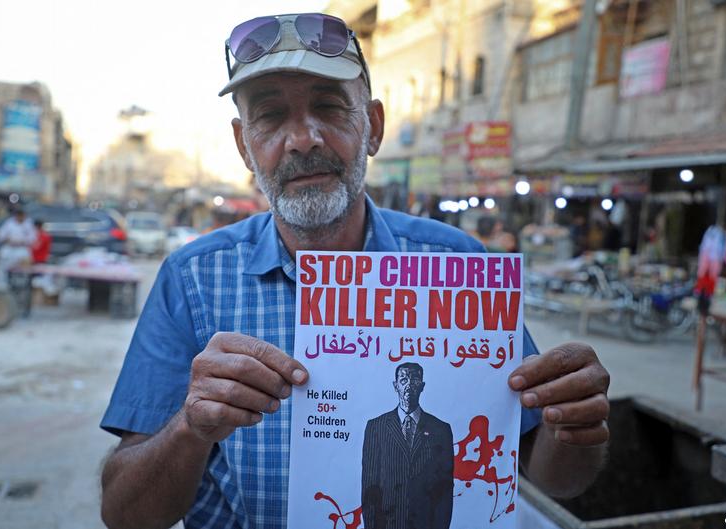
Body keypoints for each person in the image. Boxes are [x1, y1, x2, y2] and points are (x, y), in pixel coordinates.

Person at [100, 13, 610, 529]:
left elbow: (552, 481)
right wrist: (191, 427)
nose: (303, 139)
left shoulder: (457, 266)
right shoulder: (194, 279)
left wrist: (576, 425)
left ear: (374, 128)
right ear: (243, 146)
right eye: (271, 117)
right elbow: (124, 515)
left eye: (329, 106)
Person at [362, 363, 452, 529]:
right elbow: (370, 487)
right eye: (403, 379)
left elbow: (445, 490)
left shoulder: (440, 429)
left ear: (422, 386)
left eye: (415, 380)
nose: (409, 385)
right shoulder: (376, 427)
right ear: (395, 386)